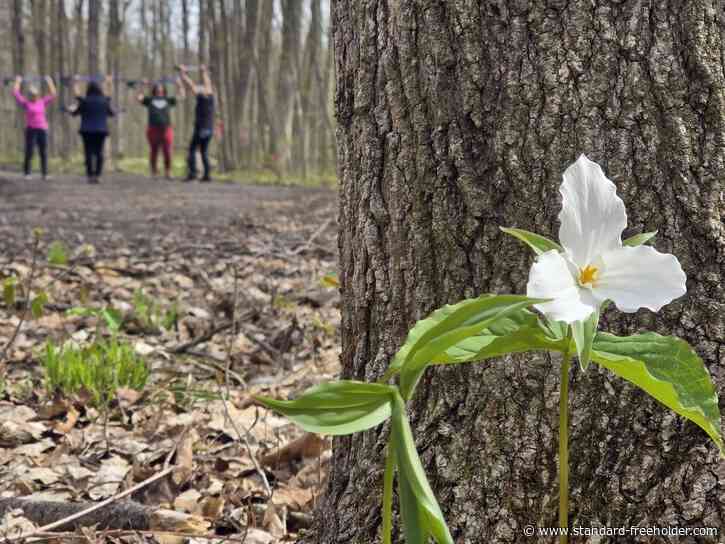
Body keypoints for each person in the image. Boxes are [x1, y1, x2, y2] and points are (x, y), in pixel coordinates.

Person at [69, 76, 115, 184]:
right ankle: (97, 175)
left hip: (87, 130)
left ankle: (90, 176)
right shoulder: (104, 101)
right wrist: (109, 82)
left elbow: (75, 108)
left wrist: (76, 82)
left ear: (88, 90)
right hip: (101, 130)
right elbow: (111, 110)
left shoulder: (84, 101)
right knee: (99, 153)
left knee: (88, 152)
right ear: (99, 89)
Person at [137, 78, 184, 180]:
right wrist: (143, 86)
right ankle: (154, 172)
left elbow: (181, 96)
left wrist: (179, 84)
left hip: (166, 129)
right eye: (157, 87)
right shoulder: (149, 100)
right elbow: (139, 98)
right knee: (154, 151)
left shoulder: (168, 100)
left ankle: (168, 171)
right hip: (153, 129)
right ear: (154, 90)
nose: (159, 88)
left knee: (167, 151)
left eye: (161, 87)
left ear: (164, 89)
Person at [12, 76, 57, 180]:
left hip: (42, 130)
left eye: (35, 95)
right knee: (29, 151)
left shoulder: (42, 102)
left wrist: (49, 81)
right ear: (29, 95)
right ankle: (27, 173)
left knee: (43, 152)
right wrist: (18, 81)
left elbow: (53, 94)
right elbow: (16, 93)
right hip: (31, 130)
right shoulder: (26, 103)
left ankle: (44, 174)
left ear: (38, 95)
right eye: (32, 95)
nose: (34, 96)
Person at [178, 65, 214, 182]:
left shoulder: (205, 96)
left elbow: (192, 86)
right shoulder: (210, 96)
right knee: (203, 151)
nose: (201, 88)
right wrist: (203, 72)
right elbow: (201, 85)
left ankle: (193, 173)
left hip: (202, 127)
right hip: (209, 129)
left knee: (193, 149)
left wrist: (183, 74)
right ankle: (207, 175)